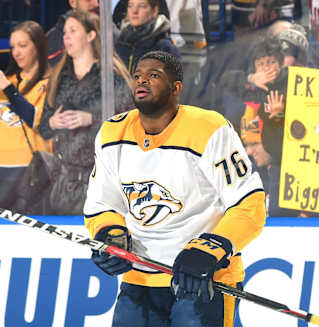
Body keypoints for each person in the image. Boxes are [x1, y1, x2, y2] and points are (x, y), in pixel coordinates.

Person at [84, 50, 266, 327]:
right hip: (141, 277)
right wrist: (109, 234)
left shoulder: (209, 128)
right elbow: (102, 204)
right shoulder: (112, 133)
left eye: (153, 75)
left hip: (202, 280)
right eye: (137, 76)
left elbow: (249, 203)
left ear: (175, 88)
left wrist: (210, 249)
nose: (142, 81)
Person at [38, 11, 134, 215]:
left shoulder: (112, 78)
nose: (66, 37)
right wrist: (53, 123)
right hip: (63, 181)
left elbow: (130, 124)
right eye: (64, 32)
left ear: (91, 36)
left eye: (73, 31)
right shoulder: (59, 78)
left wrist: (91, 119)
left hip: (102, 180)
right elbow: (44, 128)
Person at [0, 21, 51, 209]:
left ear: (38, 46)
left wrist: (8, 89)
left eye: (22, 46)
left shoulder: (51, 83)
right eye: (13, 47)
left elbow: (38, 120)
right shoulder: (5, 81)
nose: (16, 52)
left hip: (31, 172)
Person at [46, 0, 121, 67]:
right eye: (88, 0)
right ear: (73, 2)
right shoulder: (51, 41)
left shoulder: (118, 38)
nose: (96, 4)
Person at [115, 0, 180, 76]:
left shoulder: (163, 47)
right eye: (130, 6)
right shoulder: (120, 43)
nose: (134, 11)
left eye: (142, 6)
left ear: (155, 11)